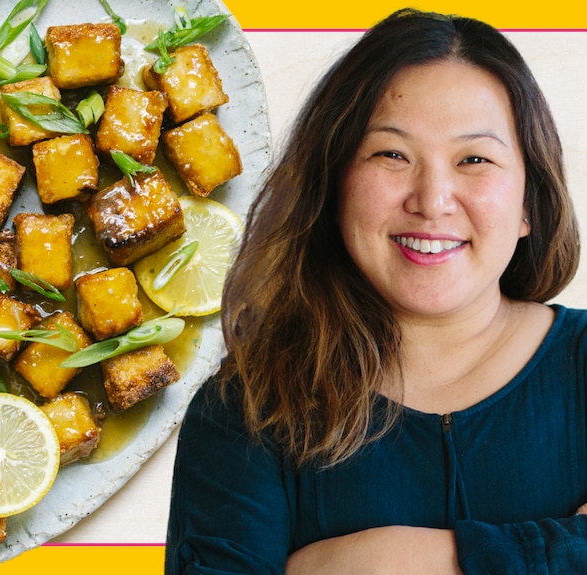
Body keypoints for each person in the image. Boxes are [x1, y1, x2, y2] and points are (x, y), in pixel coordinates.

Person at [165, 8, 587, 574]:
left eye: (475, 159)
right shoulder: (246, 412)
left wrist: (393, 561)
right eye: (391, 154)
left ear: (529, 204)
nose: (432, 199)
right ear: (334, 183)